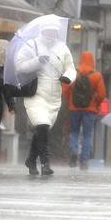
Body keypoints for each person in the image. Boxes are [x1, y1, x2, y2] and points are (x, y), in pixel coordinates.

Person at [16, 21, 76, 176]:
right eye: (48, 31)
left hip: (54, 97)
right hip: (36, 94)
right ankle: (45, 163)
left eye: (54, 31)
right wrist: (36, 61)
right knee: (42, 126)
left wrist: (67, 77)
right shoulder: (31, 45)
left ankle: (30, 160)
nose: (51, 34)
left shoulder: (62, 48)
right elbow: (20, 66)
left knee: (42, 129)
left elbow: (70, 67)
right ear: (43, 30)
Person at [63, 51, 106, 170]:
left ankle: (74, 151)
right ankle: (84, 161)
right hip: (90, 110)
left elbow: (65, 90)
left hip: (74, 108)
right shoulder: (97, 76)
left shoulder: (73, 73)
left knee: (74, 132)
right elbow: (102, 94)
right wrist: (95, 103)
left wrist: (70, 102)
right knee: (87, 135)